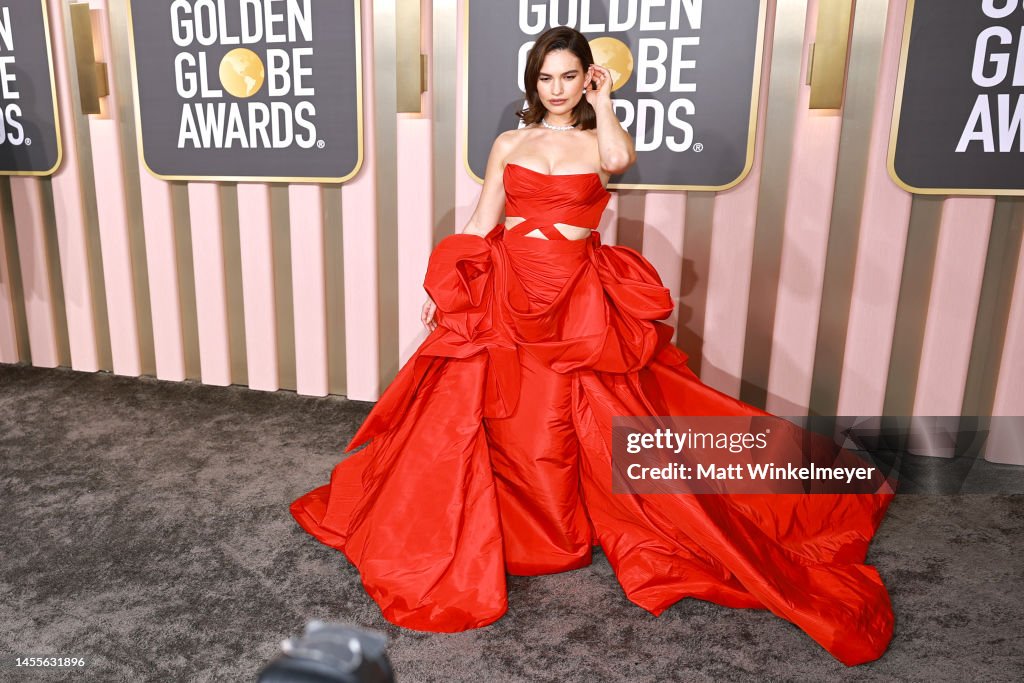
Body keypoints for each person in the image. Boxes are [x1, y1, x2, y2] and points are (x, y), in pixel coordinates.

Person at [290, 27, 896, 667]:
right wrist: (449, 286)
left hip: (574, 296)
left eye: (568, 77)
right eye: (545, 79)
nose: (556, 90)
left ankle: (559, 530)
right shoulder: (510, 142)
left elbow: (618, 161)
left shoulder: (594, 139)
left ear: (587, 78)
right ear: (534, 83)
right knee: (502, 416)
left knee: (563, 419)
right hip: (507, 285)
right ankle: (512, 530)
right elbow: (482, 218)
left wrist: (605, 104)